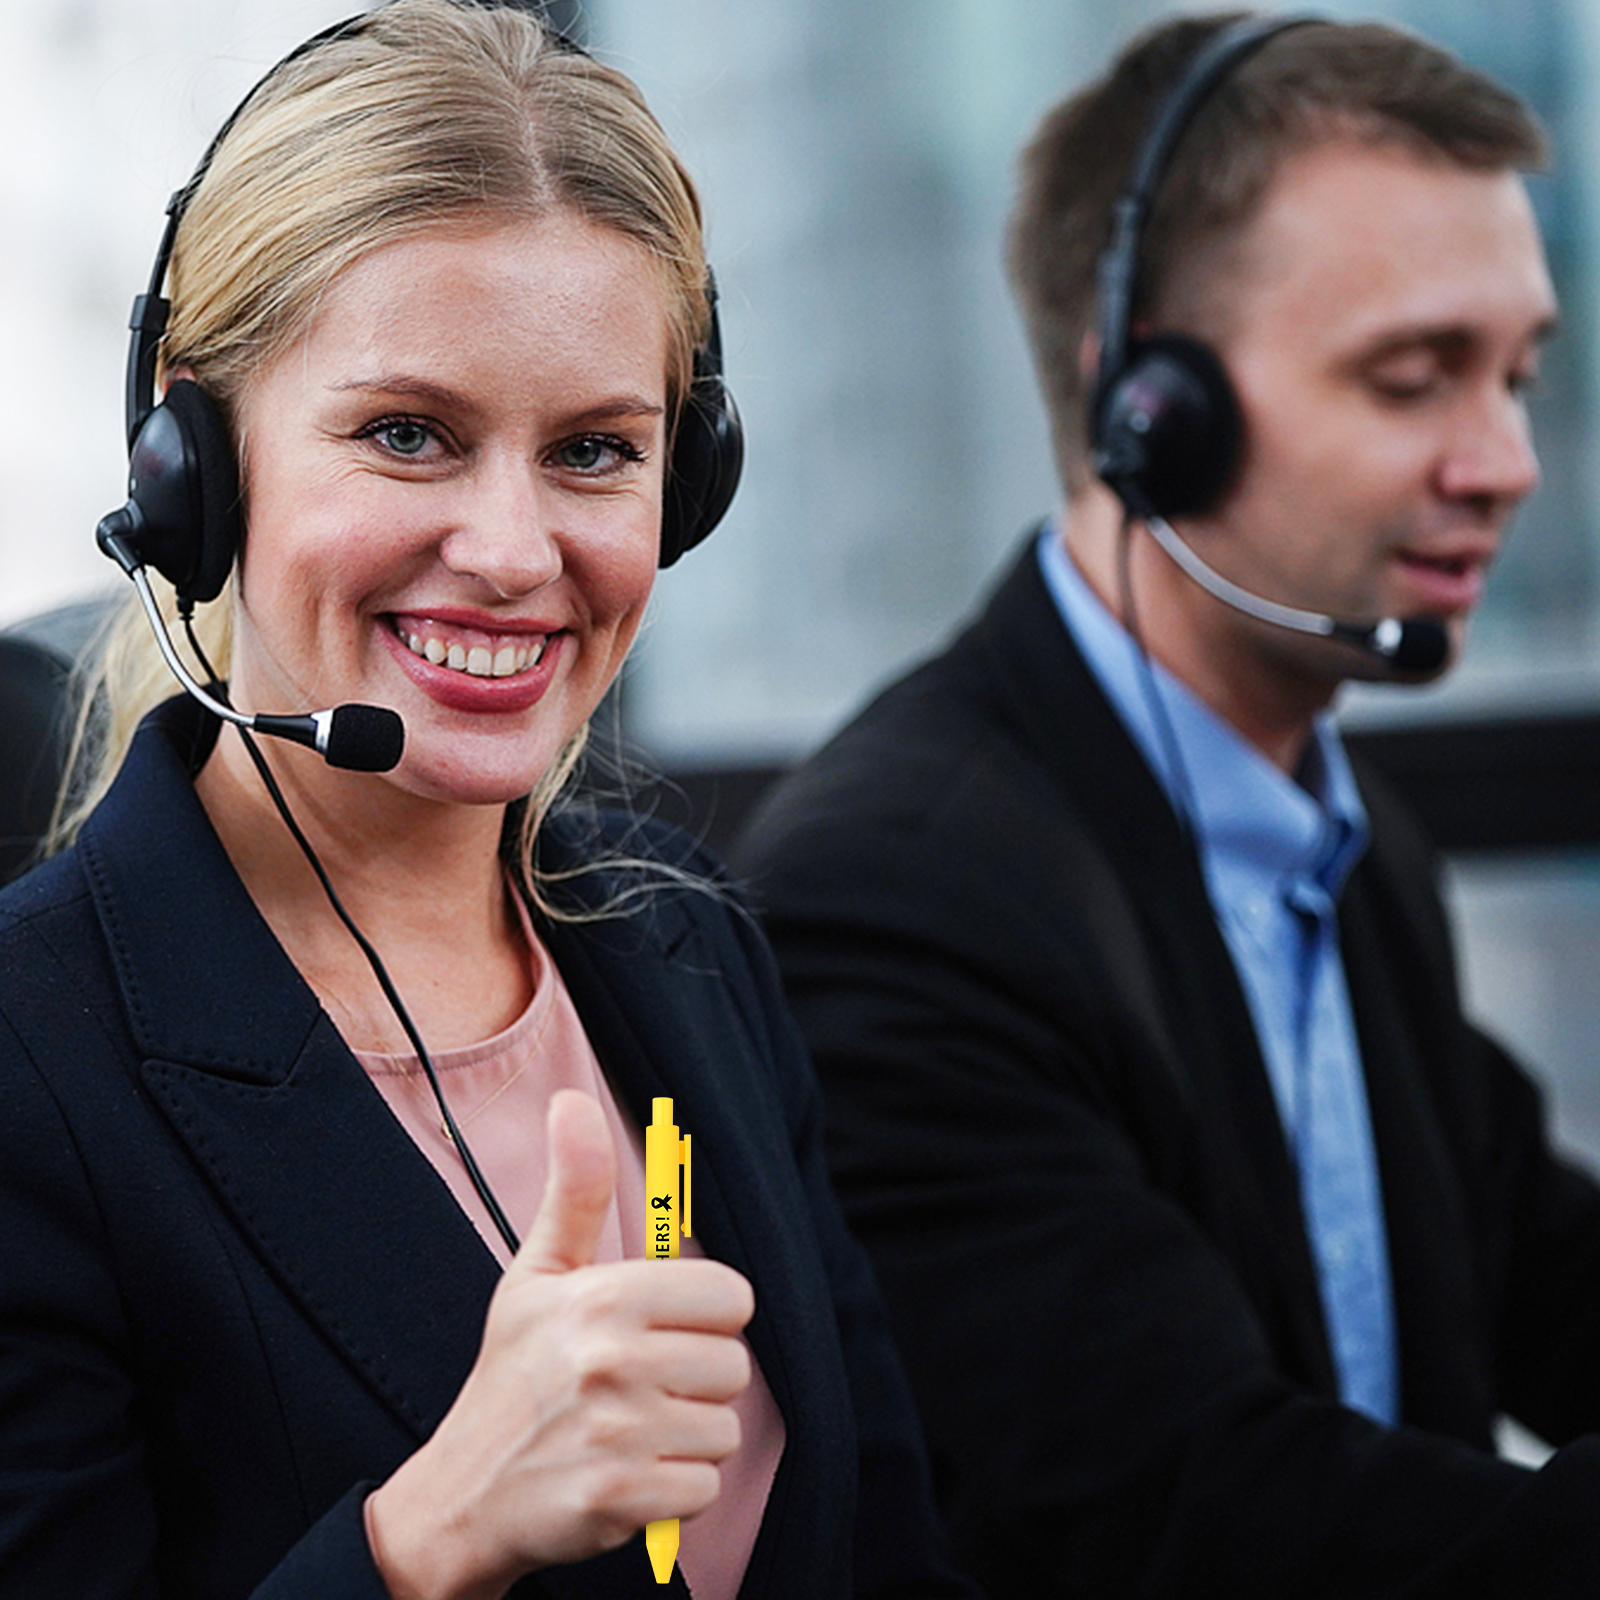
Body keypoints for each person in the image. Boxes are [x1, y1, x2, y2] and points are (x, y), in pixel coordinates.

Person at [0, 5, 982, 1597]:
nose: (517, 553)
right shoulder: (35, 1061)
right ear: (195, 460)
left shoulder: (687, 943)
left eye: (595, 451)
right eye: (409, 435)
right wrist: (426, 1539)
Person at [731, 11, 1600, 1597]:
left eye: (1519, 376)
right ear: (1151, 407)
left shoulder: (1337, 840)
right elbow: (1197, 1516)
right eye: (1416, 380)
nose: (1507, 461)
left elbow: (1538, 1258)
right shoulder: (897, 905)